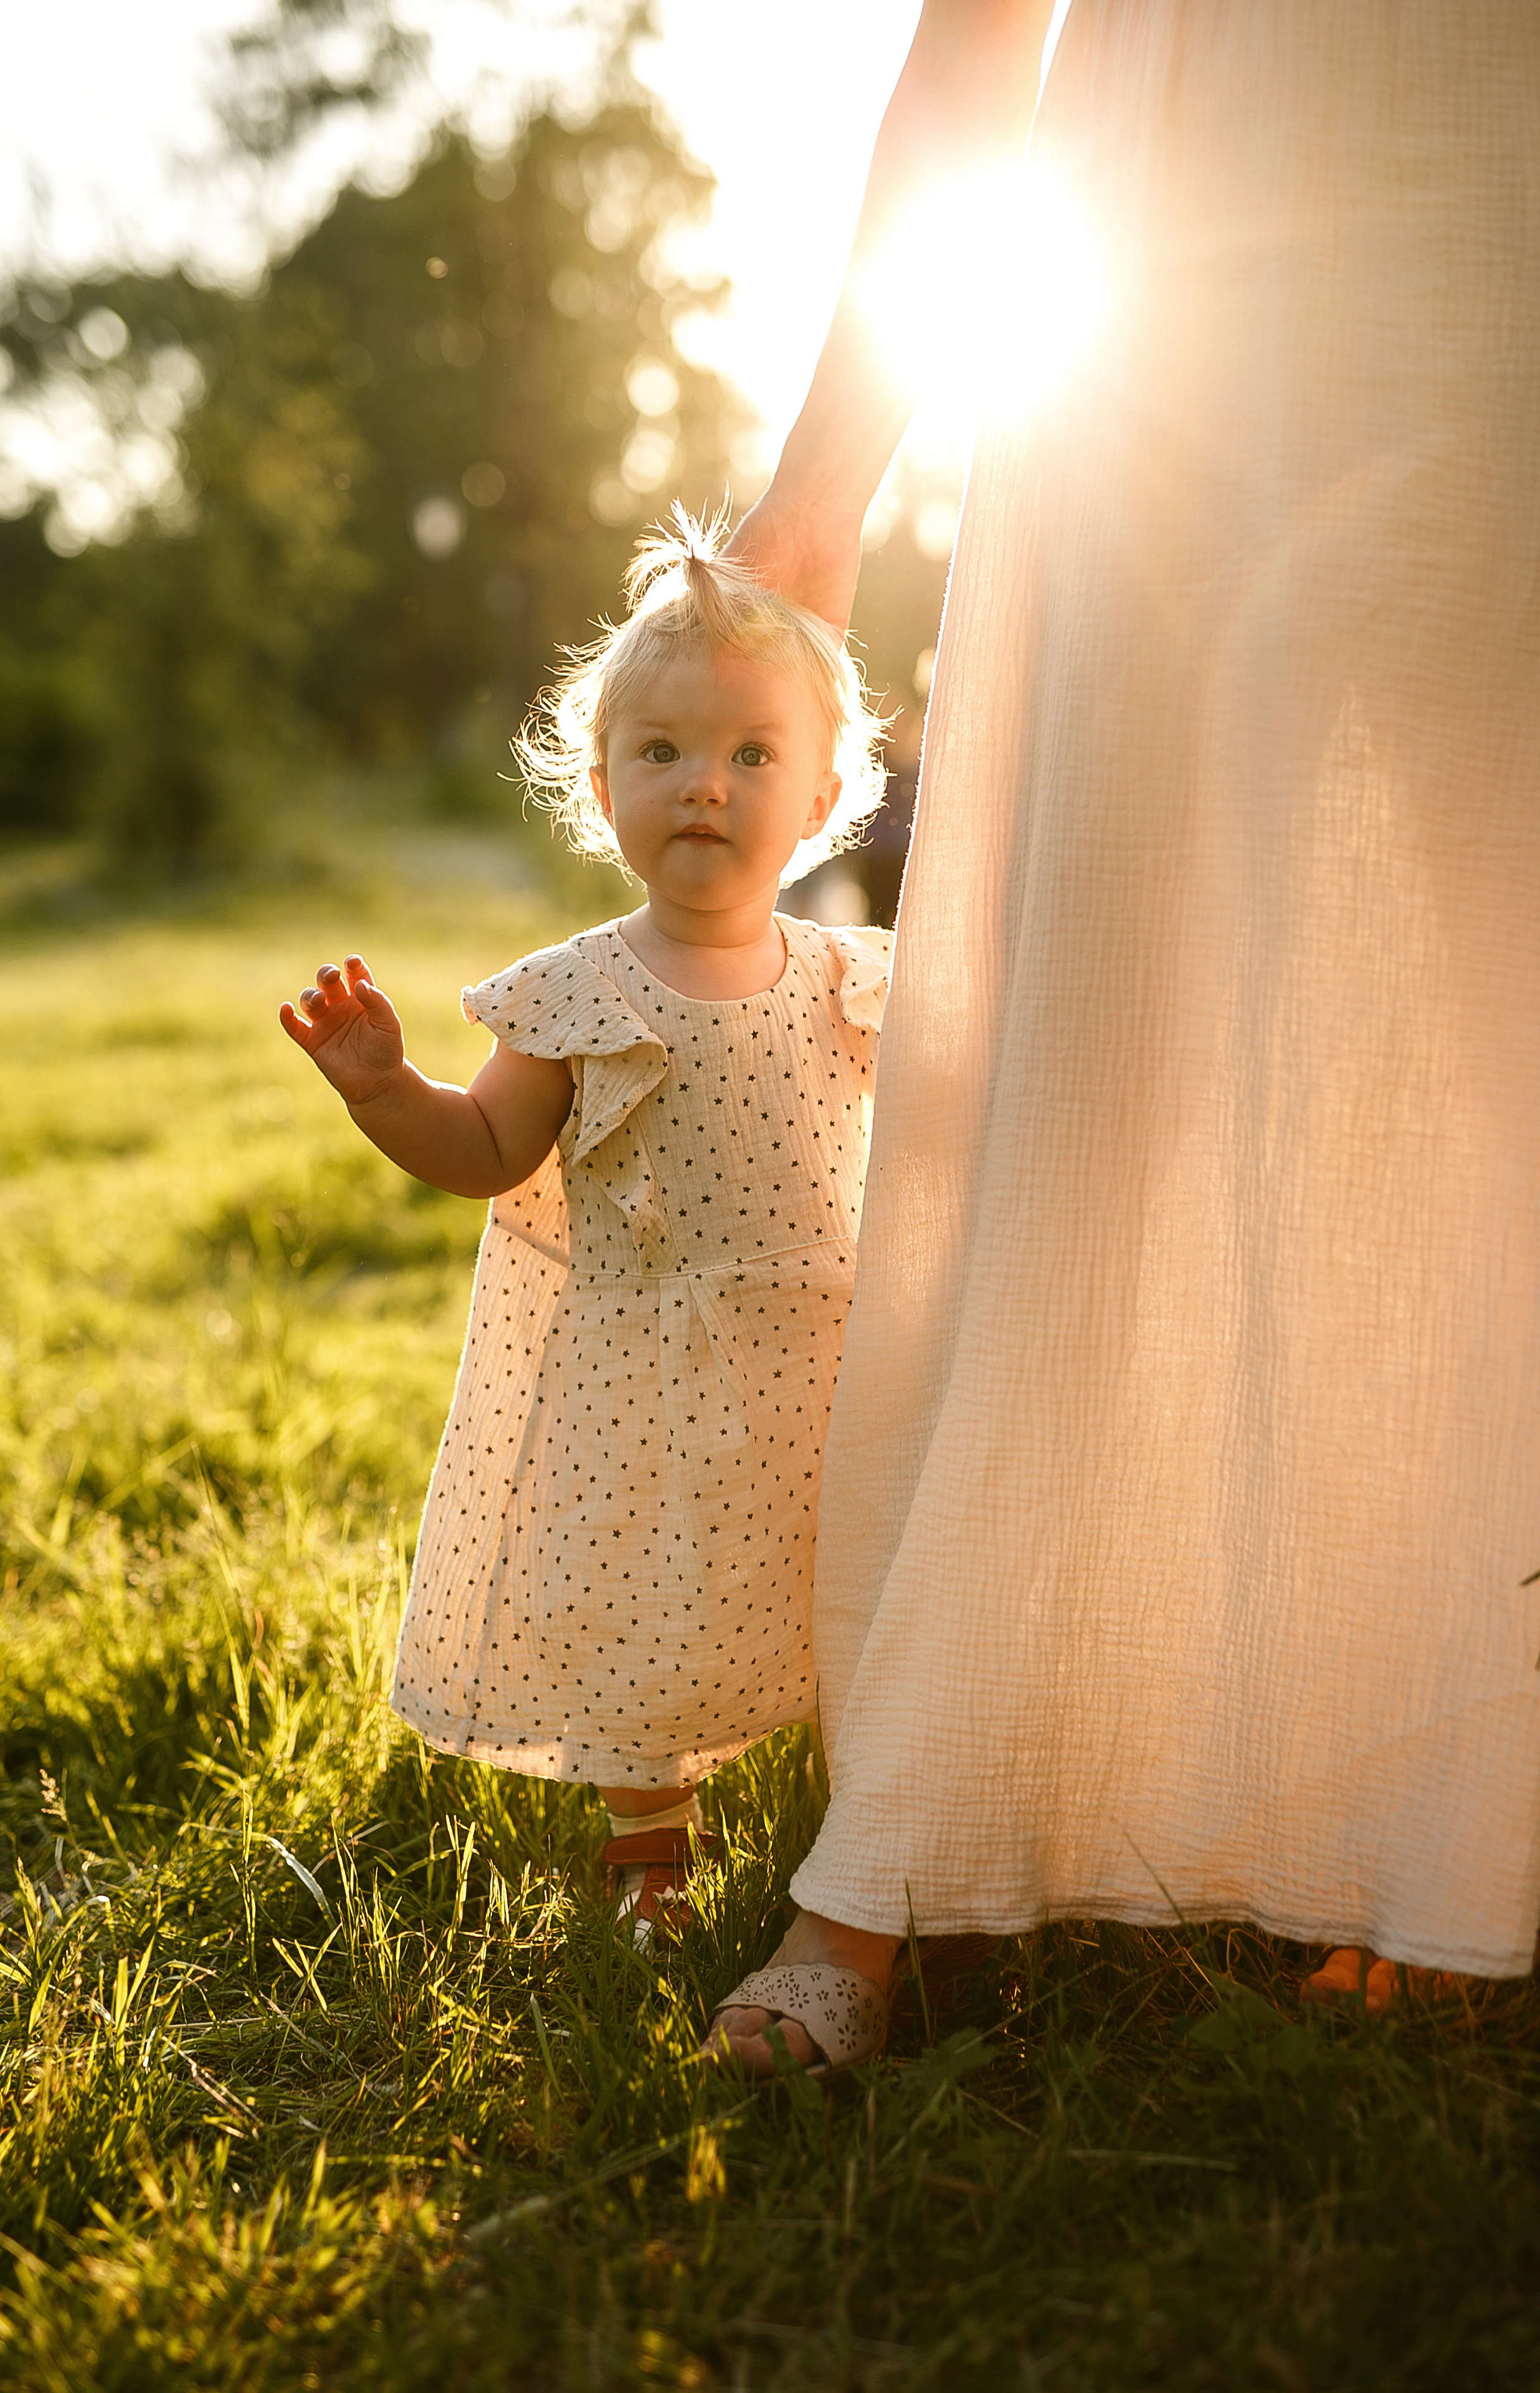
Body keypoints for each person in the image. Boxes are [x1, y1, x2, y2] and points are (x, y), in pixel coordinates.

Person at [706, 0, 1540, 2073]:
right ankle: (902, 1840)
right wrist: (821, 488)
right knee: (1078, 1043)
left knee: (1480, 1040)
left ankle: (1459, 1822)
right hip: (1173, 251)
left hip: (1494, 192)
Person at [280, 519, 893, 1936]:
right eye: (663, 751)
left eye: (753, 755)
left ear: (817, 799)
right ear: (600, 783)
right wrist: (387, 1091)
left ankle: (850, 1801)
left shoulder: (851, 981)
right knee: (651, 1604)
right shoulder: (580, 992)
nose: (705, 786)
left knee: (822, 1578)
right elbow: (490, 1151)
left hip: (825, 1358)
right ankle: (650, 1847)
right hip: (646, 1379)